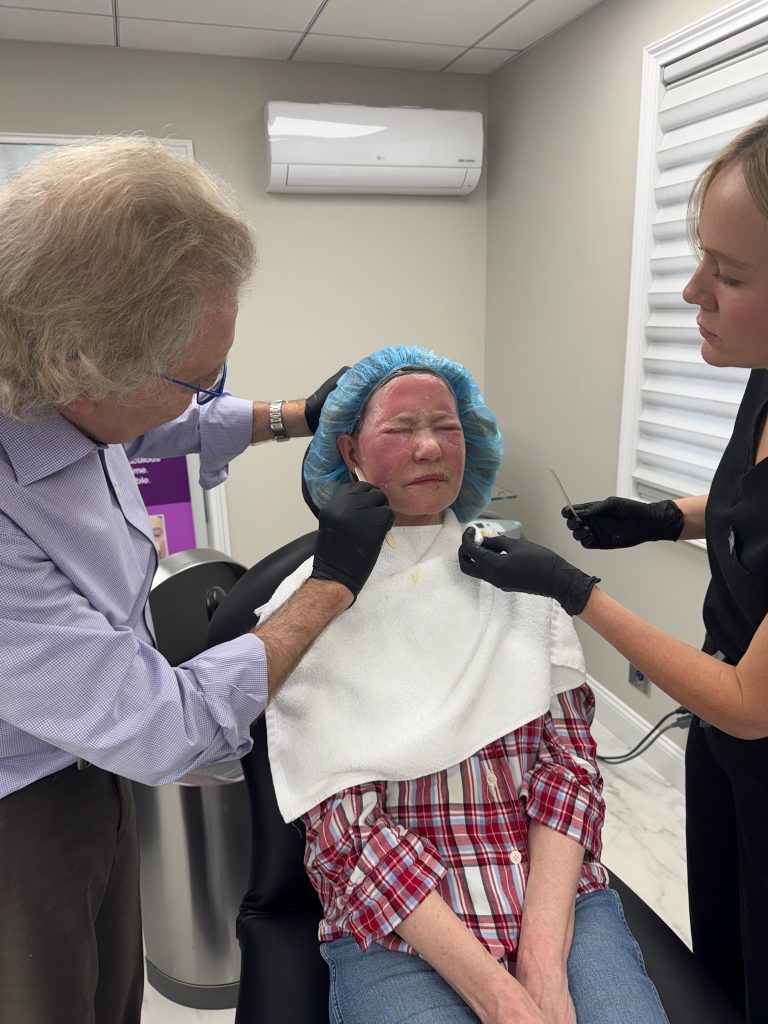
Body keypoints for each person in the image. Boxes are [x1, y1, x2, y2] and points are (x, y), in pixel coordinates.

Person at [0, 136, 393, 1024]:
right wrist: (329, 586)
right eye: (202, 379)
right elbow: (166, 728)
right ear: (84, 366)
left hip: (84, 759)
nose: (212, 392)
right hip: (17, 809)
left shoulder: (49, 381)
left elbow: (131, 427)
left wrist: (292, 415)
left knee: (112, 992)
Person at [459, 114, 768, 1023]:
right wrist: (664, 517)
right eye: (700, 255)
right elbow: (757, 504)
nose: (691, 291)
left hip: (748, 723)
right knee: (722, 949)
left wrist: (572, 588)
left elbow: (751, 706)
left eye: (732, 275)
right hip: (723, 743)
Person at [255, 345, 669, 1024]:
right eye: (401, 429)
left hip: (558, 896)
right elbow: (344, 829)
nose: (429, 448)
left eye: (446, 427)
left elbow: (569, 767)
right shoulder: (309, 611)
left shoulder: (519, 578)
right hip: (401, 929)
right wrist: (500, 996)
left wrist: (541, 954)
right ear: (351, 453)